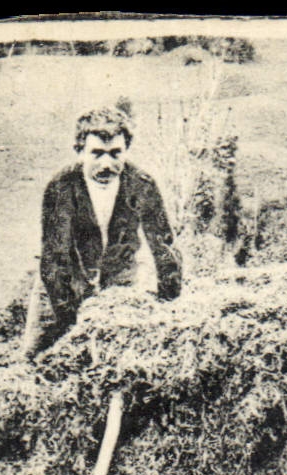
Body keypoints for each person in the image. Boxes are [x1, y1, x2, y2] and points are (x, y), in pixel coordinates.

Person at [22, 104, 182, 359]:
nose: (106, 163)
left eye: (115, 153)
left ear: (125, 151)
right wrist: (72, 323)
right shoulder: (61, 187)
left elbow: (164, 248)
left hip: (118, 279)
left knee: (120, 359)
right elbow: (55, 258)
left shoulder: (142, 184)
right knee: (39, 359)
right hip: (63, 282)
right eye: (96, 153)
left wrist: (170, 305)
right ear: (79, 151)